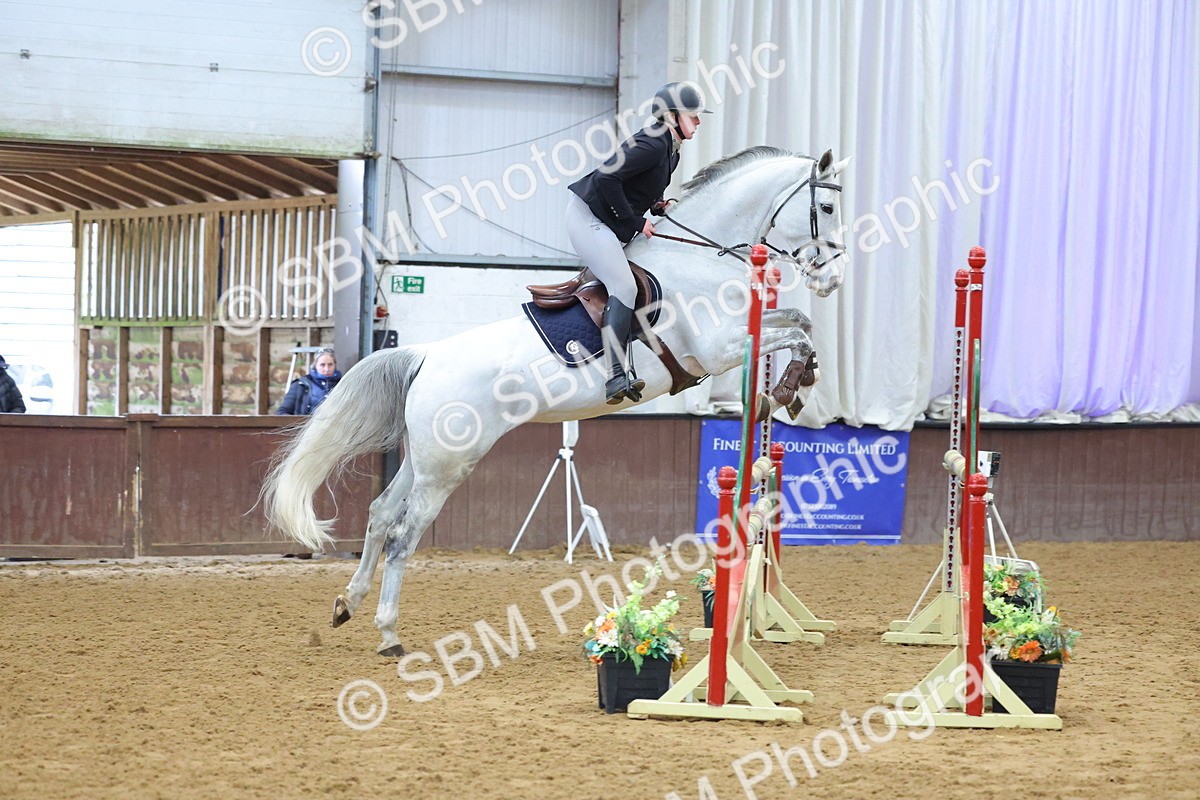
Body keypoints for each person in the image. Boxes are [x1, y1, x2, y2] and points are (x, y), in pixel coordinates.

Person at [566, 81, 710, 404]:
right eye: (693, 116)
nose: (698, 122)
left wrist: (657, 205)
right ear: (672, 116)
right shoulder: (654, 143)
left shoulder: (669, 149)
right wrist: (634, 222)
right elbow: (606, 178)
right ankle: (615, 377)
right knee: (625, 287)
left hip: (603, 220)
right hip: (587, 218)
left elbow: (641, 185)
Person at [276, 347, 341, 415]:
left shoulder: (342, 384)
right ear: (315, 365)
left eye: (330, 364)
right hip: (306, 424)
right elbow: (282, 412)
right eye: (322, 365)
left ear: (335, 365)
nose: (326, 369)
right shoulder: (300, 385)